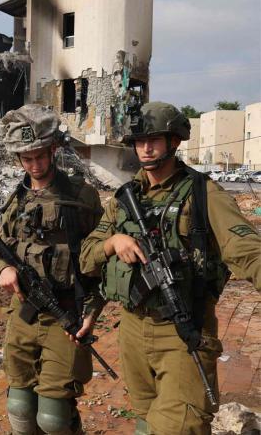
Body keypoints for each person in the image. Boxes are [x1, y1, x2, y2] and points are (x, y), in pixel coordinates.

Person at [79, 102, 261, 434]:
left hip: (185, 328)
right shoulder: (124, 199)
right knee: (146, 422)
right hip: (132, 330)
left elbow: (246, 250)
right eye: (139, 140)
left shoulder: (203, 194)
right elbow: (87, 255)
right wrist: (114, 242)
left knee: (181, 427)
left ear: (174, 141)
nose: (146, 148)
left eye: (155, 139)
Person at [0, 104, 104, 435]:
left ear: (53, 149)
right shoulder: (17, 199)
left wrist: (92, 312)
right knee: (20, 410)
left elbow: (101, 259)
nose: (35, 165)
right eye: (27, 159)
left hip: (65, 315)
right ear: (18, 159)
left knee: (53, 419)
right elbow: (1, 245)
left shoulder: (81, 196)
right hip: (23, 314)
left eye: (41, 156)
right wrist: (2, 269)